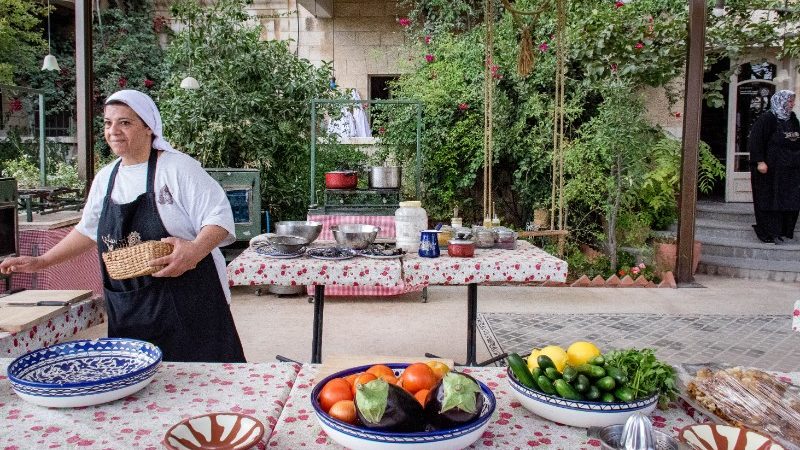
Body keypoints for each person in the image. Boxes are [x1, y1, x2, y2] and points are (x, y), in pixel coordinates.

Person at [0, 90, 246, 362]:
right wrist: (41, 261)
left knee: (205, 387)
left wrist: (194, 251)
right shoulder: (106, 178)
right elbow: (87, 230)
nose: (113, 131)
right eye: (108, 123)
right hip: (130, 307)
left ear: (148, 127)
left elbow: (219, 218)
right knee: (138, 392)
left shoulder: (177, 168)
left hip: (189, 305)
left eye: (125, 122)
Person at [748, 89, 800, 244]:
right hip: (770, 170)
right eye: (790, 101)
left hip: (790, 170)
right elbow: (755, 140)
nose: (792, 104)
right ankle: (769, 233)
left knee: (789, 199)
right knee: (770, 200)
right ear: (781, 101)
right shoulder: (767, 119)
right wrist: (759, 161)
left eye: (792, 101)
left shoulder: (793, 119)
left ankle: (783, 231)